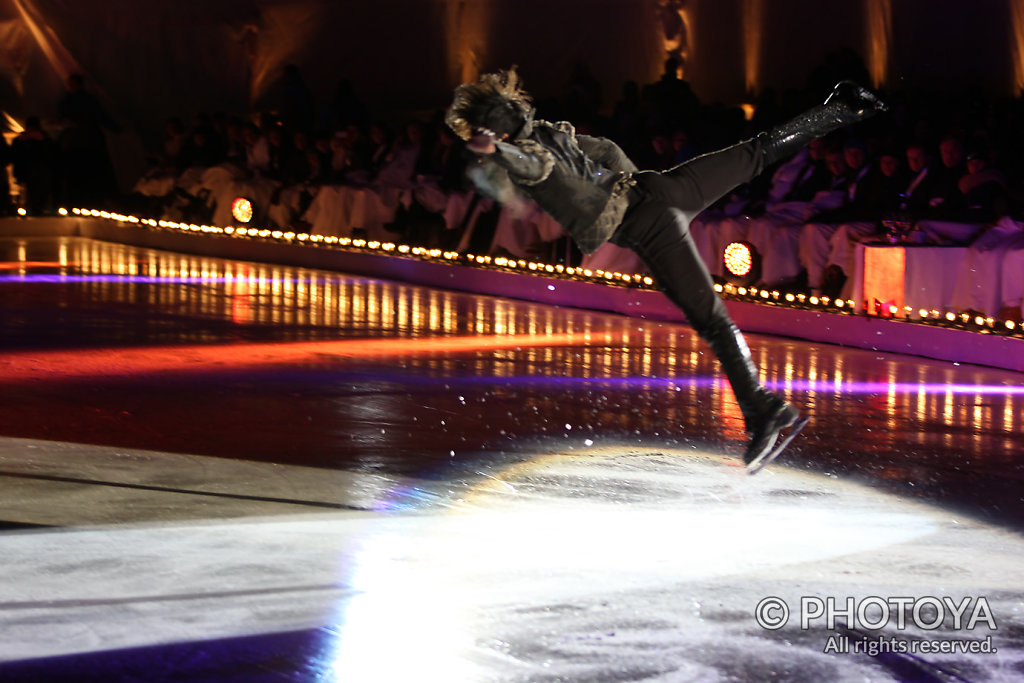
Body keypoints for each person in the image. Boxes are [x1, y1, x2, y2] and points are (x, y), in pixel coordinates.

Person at [446, 68, 886, 471]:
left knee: (712, 320)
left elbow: (534, 166)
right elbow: (608, 150)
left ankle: (763, 410)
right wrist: (631, 186)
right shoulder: (552, 132)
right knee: (757, 152)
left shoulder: (524, 153)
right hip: (663, 187)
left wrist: (498, 150)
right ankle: (845, 107)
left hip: (649, 221)